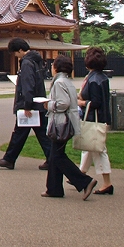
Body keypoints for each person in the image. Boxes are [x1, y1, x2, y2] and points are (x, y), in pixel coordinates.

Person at [42, 55, 97, 199]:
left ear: (56, 68)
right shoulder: (67, 81)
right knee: (55, 156)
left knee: (57, 156)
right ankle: (54, 189)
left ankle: (85, 181)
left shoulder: (59, 82)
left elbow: (63, 103)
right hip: (67, 121)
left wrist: (49, 105)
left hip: (61, 123)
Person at [0, 38, 52, 171]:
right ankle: (51, 158)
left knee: (21, 133)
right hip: (39, 103)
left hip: (30, 105)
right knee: (40, 134)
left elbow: (27, 85)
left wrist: (27, 105)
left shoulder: (26, 63)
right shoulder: (37, 61)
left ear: (20, 50)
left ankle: (9, 159)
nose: (15, 55)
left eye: (15, 52)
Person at [77, 46, 113, 195]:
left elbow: (96, 102)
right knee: (90, 148)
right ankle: (80, 174)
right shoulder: (102, 77)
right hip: (102, 118)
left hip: (94, 118)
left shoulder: (92, 79)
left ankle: (107, 182)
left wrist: (82, 103)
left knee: (98, 150)